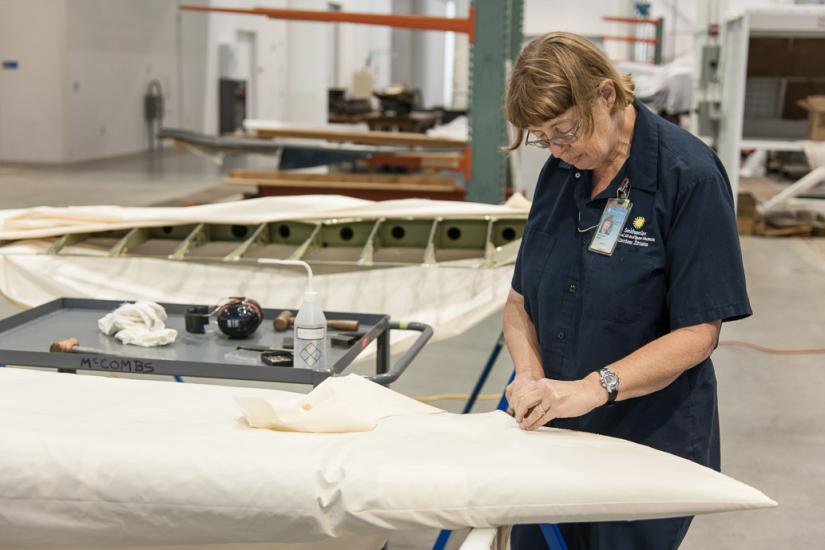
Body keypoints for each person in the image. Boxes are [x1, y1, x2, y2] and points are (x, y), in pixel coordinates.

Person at [502, 32, 751, 550]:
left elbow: (698, 333)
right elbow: (520, 302)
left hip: (645, 442)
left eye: (565, 131)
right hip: (553, 433)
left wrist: (593, 388)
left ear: (607, 95)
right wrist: (530, 379)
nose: (557, 150)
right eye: (542, 138)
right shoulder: (560, 174)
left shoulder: (689, 177)